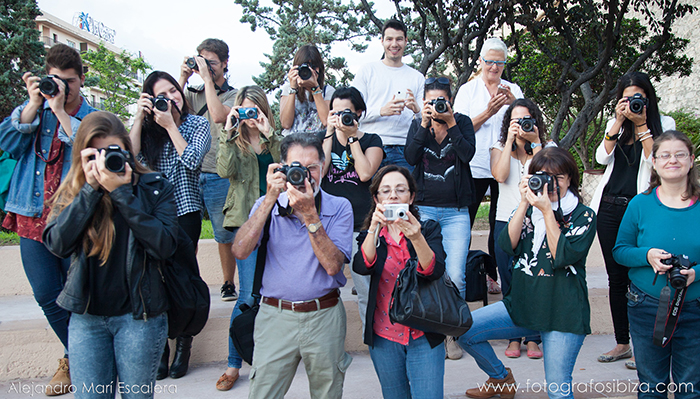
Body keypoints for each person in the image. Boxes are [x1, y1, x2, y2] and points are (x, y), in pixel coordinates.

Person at [43, 111, 177, 399]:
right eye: (96, 154)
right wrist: (91, 189)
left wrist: (122, 195)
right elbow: (56, 244)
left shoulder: (155, 187)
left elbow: (165, 246)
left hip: (139, 319)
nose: (106, 161)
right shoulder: (75, 190)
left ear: (128, 150)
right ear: (82, 155)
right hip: (87, 319)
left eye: (112, 152)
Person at [460, 147, 597, 399]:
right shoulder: (527, 211)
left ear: (570, 180)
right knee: (464, 330)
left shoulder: (583, 216)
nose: (550, 184)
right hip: (522, 306)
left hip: (563, 314)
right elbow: (506, 246)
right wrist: (524, 202)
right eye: (542, 176)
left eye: (558, 177)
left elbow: (562, 257)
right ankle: (501, 378)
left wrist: (547, 212)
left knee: (557, 391)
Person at [0, 43, 97, 396]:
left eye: (69, 82)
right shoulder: (33, 110)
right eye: (55, 80)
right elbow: (8, 144)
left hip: (76, 220)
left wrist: (59, 113)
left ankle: (82, 359)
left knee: (77, 293)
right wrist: (33, 105)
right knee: (45, 293)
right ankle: (78, 357)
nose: (62, 88)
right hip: (31, 213)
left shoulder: (89, 116)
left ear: (81, 80)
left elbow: (89, 154)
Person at [232, 133, 354, 399]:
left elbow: (334, 267)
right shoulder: (267, 204)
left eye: (312, 167)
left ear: (323, 167)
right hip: (275, 316)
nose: (305, 174)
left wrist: (310, 213)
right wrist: (268, 199)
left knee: (328, 392)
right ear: (282, 168)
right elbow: (240, 250)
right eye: (296, 167)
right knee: (263, 393)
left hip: (325, 314)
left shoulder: (339, 206)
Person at [590, 72, 675, 369]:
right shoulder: (618, 127)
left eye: (638, 96)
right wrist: (618, 121)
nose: (633, 102)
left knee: (642, 277)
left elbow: (658, 163)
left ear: (648, 98)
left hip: (641, 210)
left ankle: (644, 347)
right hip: (609, 209)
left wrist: (642, 126)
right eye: (627, 97)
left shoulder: (664, 125)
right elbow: (601, 157)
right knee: (616, 278)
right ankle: (622, 342)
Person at [130, 70, 211, 380]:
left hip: (185, 210)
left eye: (174, 91)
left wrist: (171, 126)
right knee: (154, 280)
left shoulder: (196, 124)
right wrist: (140, 119)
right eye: (162, 95)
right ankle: (162, 347)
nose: (171, 98)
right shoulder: (148, 130)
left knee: (183, 279)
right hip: (151, 215)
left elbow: (191, 161)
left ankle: (184, 343)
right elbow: (130, 158)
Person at [612, 130, 699, 399]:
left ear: (692, 160)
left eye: (679, 154)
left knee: (691, 388)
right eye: (665, 155)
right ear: (654, 161)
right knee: (651, 386)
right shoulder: (640, 204)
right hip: (647, 305)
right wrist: (646, 255)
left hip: (695, 307)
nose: (672, 160)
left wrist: (696, 273)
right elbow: (620, 251)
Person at [353, 165, 447, 399]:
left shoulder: (428, 229)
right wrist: (374, 228)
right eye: (385, 191)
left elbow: (433, 270)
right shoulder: (371, 236)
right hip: (384, 337)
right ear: (376, 198)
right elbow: (362, 266)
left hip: (424, 333)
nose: (393, 195)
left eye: (400, 190)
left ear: (411, 196)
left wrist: (416, 237)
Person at [215, 85, 282, 391]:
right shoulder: (232, 138)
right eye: (244, 109)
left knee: (279, 291)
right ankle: (233, 363)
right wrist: (229, 132)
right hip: (246, 223)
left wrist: (270, 135)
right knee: (247, 296)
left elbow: (287, 166)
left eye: (254, 109)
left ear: (263, 110)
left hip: (279, 223)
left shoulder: (272, 139)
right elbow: (223, 170)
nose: (249, 116)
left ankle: (273, 357)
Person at [404, 76, 476, 360]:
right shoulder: (417, 124)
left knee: (455, 274)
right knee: (423, 271)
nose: (436, 106)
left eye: (440, 101)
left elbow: (468, 155)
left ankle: (451, 334)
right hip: (424, 209)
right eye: (430, 101)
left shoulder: (463, 122)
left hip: (456, 211)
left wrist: (452, 123)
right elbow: (410, 156)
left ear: (450, 101)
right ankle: (426, 329)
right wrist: (423, 123)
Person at [453, 37, 523, 278]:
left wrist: (516, 104)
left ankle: (495, 275)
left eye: (499, 63)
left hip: (505, 167)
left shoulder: (513, 90)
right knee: (466, 222)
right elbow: (459, 130)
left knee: (500, 222)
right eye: (490, 61)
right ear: (481, 61)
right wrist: (488, 112)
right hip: (474, 166)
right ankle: (462, 274)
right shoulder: (467, 91)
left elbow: (525, 123)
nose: (494, 67)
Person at [179, 38, 239, 302]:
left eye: (212, 62)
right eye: (202, 61)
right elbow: (171, 108)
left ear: (225, 64)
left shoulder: (235, 95)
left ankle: (227, 282)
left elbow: (218, 115)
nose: (206, 67)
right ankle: (185, 281)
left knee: (223, 232)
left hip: (218, 171)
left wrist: (207, 80)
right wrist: (181, 78)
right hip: (190, 171)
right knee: (185, 230)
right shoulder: (191, 94)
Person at [320, 86, 384, 334]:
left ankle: (374, 338)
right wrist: (329, 132)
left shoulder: (371, 140)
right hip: (328, 225)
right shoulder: (323, 140)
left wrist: (353, 137)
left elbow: (366, 173)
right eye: (335, 112)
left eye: (346, 112)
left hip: (362, 226)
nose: (341, 118)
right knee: (324, 288)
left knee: (367, 290)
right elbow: (320, 172)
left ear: (358, 112)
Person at [489, 99, 548, 359]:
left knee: (534, 279)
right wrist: (510, 143)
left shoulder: (547, 148)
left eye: (527, 119)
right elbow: (500, 176)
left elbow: (545, 171)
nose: (522, 125)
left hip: (536, 220)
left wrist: (534, 143)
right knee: (509, 280)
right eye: (516, 121)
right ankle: (513, 335)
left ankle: (533, 336)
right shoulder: (499, 147)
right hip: (506, 219)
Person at [351, 18, 424, 171]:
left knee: (404, 194)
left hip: (404, 148)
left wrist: (417, 110)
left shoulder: (416, 77)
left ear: (406, 41)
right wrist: (381, 111)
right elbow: (352, 113)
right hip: (369, 145)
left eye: (399, 39)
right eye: (389, 39)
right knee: (370, 195)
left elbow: (425, 121)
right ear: (382, 41)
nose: (394, 44)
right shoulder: (367, 71)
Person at [280, 44, 335, 136]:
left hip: (318, 143)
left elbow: (326, 121)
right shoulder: (288, 89)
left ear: (320, 69)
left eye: (313, 67)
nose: (309, 71)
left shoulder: (328, 91)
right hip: (293, 143)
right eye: (304, 67)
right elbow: (286, 124)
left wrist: (315, 89)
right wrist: (293, 88)